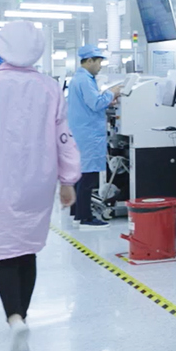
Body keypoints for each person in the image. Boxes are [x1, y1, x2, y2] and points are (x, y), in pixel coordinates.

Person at [0, 21, 80, 351]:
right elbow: (64, 138)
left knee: (4, 249)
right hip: (39, 180)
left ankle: (14, 318)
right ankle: (23, 315)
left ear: (2, 47)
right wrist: (68, 180)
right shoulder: (50, 87)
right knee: (27, 248)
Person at [65, 45, 115, 226]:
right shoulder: (85, 80)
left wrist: (107, 99)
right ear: (89, 61)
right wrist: (113, 93)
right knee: (88, 176)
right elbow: (95, 103)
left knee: (80, 174)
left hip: (81, 132)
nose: (100, 66)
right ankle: (85, 217)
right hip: (88, 134)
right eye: (99, 62)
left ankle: (76, 211)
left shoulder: (78, 79)